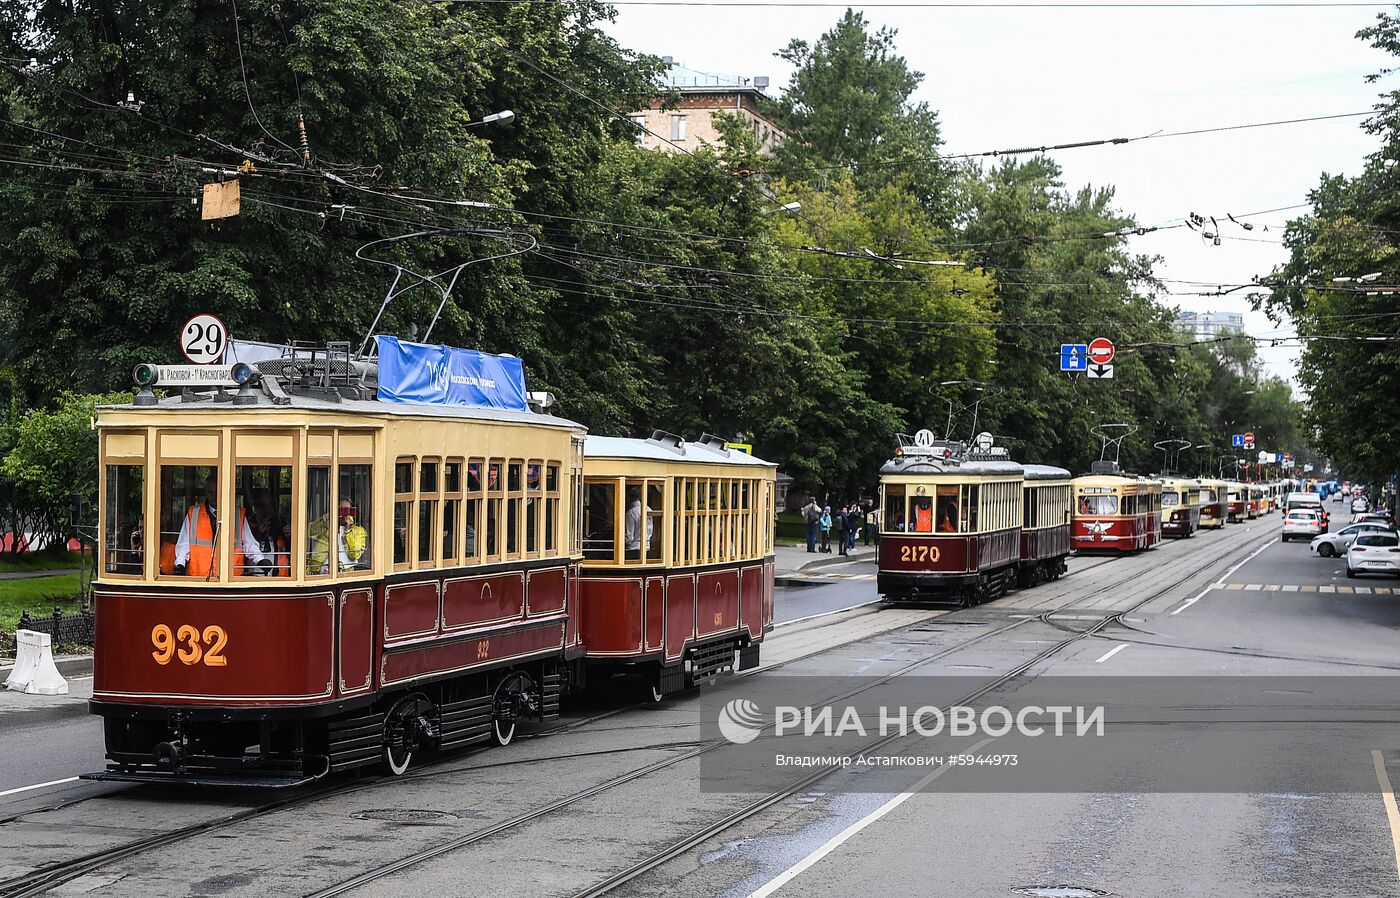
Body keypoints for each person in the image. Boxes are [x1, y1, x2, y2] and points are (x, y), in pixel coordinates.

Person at [174, 474, 260, 577]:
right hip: (199, 579)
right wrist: (180, 563)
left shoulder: (236, 515)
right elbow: (184, 543)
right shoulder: (194, 514)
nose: (214, 496)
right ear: (205, 492)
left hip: (231, 580)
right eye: (210, 492)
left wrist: (260, 559)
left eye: (217, 492)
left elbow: (249, 543)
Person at [307, 498, 368, 574]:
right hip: (317, 572)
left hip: (344, 574)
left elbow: (355, 554)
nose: (343, 514)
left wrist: (348, 530)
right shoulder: (325, 526)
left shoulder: (358, 531)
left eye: (347, 510)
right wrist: (326, 518)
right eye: (341, 510)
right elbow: (309, 532)